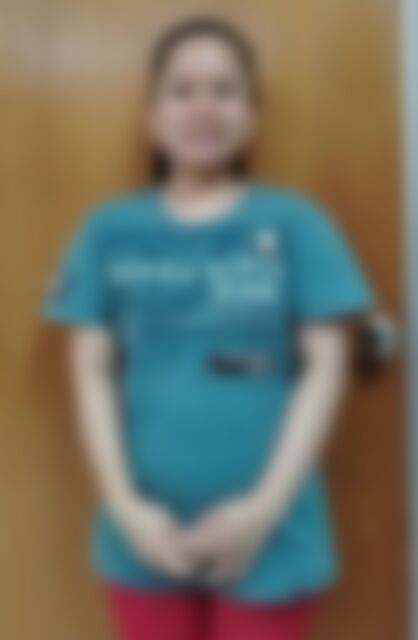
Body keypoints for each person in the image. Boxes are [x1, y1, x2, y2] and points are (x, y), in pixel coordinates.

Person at [43, 17, 375, 640]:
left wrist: (262, 512)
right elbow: (90, 373)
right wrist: (126, 509)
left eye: (225, 90)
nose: (204, 107)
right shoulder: (108, 229)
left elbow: (326, 368)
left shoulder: (297, 224)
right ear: (152, 114)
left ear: (252, 113)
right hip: (142, 537)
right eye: (182, 90)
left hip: (273, 534)